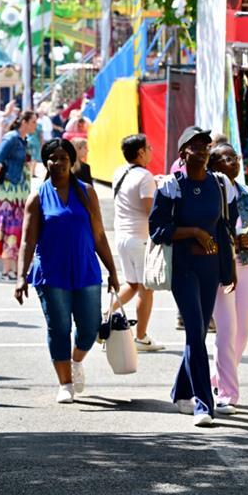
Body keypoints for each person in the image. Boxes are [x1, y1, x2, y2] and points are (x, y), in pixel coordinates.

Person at [15, 138, 120, 403]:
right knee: (58, 327)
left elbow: (98, 234)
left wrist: (113, 270)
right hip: (52, 273)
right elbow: (27, 241)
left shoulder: (86, 192)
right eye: (53, 157)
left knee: (90, 327)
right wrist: (20, 277)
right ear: (45, 162)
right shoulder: (37, 197)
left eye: (64, 157)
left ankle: (76, 361)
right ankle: (64, 383)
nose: (58, 162)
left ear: (72, 161)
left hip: (86, 269)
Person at [148, 126, 238, 427]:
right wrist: (194, 232)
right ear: (182, 153)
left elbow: (229, 225)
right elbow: (158, 230)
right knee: (194, 331)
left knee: (198, 334)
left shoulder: (221, 184)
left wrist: (230, 266)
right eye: (195, 145)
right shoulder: (170, 187)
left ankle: (181, 390)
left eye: (205, 144)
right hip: (184, 269)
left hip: (211, 269)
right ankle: (203, 404)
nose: (202, 149)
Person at [208, 143, 248, 415]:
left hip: (243, 265)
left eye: (235, 157)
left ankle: (215, 380)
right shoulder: (209, 192)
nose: (233, 162)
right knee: (226, 331)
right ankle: (228, 393)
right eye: (225, 158)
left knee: (242, 334)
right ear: (213, 164)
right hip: (220, 269)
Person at [111, 134, 164, 352]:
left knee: (132, 284)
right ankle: (140, 337)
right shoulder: (144, 176)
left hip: (122, 237)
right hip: (139, 238)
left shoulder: (119, 171)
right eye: (149, 147)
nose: (151, 150)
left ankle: (103, 318)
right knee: (145, 288)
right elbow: (149, 210)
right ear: (141, 152)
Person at [0, 111, 34, 281]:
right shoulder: (11, 138)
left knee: (16, 230)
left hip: (18, 194)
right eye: (33, 122)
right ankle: (7, 270)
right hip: (8, 193)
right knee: (7, 229)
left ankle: (12, 269)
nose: (35, 125)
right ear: (25, 122)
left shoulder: (22, 140)